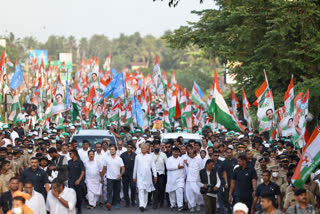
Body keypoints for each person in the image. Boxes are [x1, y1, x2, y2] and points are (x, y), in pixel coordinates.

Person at [133, 143, 157, 212]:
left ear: (147, 149)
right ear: (140, 149)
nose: (143, 149)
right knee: (140, 189)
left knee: (146, 191)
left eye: (145, 148)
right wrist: (134, 176)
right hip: (140, 176)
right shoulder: (137, 156)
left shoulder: (150, 157)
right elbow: (135, 167)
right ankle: (141, 205)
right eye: (142, 148)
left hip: (148, 176)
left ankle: (144, 205)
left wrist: (155, 176)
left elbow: (153, 167)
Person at [103, 144, 125, 210]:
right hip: (109, 177)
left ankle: (117, 203)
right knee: (109, 191)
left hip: (117, 178)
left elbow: (123, 168)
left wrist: (121, 175)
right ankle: (109, 203)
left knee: (117, 191)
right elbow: (104, 168)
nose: (111, 151)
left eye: (113, 149)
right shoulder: (107, 158)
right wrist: (102, 177)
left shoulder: (119, 159)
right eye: (110, 149)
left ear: (115, 150)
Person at [166, 147, 185, 211]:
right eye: (175, 152)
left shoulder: (181, 159)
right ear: (172, 152)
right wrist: (177, 167)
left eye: (177, 152)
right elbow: (168, 167)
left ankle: (180, 205)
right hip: (171, 179)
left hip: (180, 179)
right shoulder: (169, 159)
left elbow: (183, 167)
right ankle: (173, 204)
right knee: (172, 192)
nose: (176, 153)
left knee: (180, 191)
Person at [150, 142, 167, 209]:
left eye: (158, 147)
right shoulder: (150, 155)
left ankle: (161, 202)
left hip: (161, 174)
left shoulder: (163, 155)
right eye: (156, 147)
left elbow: (167, 164)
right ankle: (155, 204)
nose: (157, 148)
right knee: (155, 190)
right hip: (153, 174)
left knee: (161, 189)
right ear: (153, 148)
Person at [67, 149, 85, 214]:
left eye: (70, 153)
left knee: (79, 196)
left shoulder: (80, 162)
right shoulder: (69, 162)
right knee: (71, 196)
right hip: (71, 181)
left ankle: (79, 208)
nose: (69, 155)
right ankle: (72, 209)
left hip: (79, 182)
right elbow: (67, 171)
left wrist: (79, 180)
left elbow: (83, 172)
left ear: (74, 154)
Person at [120, 142, 137, 207]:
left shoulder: (135, 155)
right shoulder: (123, 155)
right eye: (128, 147)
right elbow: (121, 165)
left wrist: (136, 175)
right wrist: (121, 173)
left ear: (132, 148)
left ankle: (133, 201)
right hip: (125, 174)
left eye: (130, 147)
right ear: (126, 148)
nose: (129, 148)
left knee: (133, 187)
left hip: (132, 175)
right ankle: (127, 202)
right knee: (125, 189)